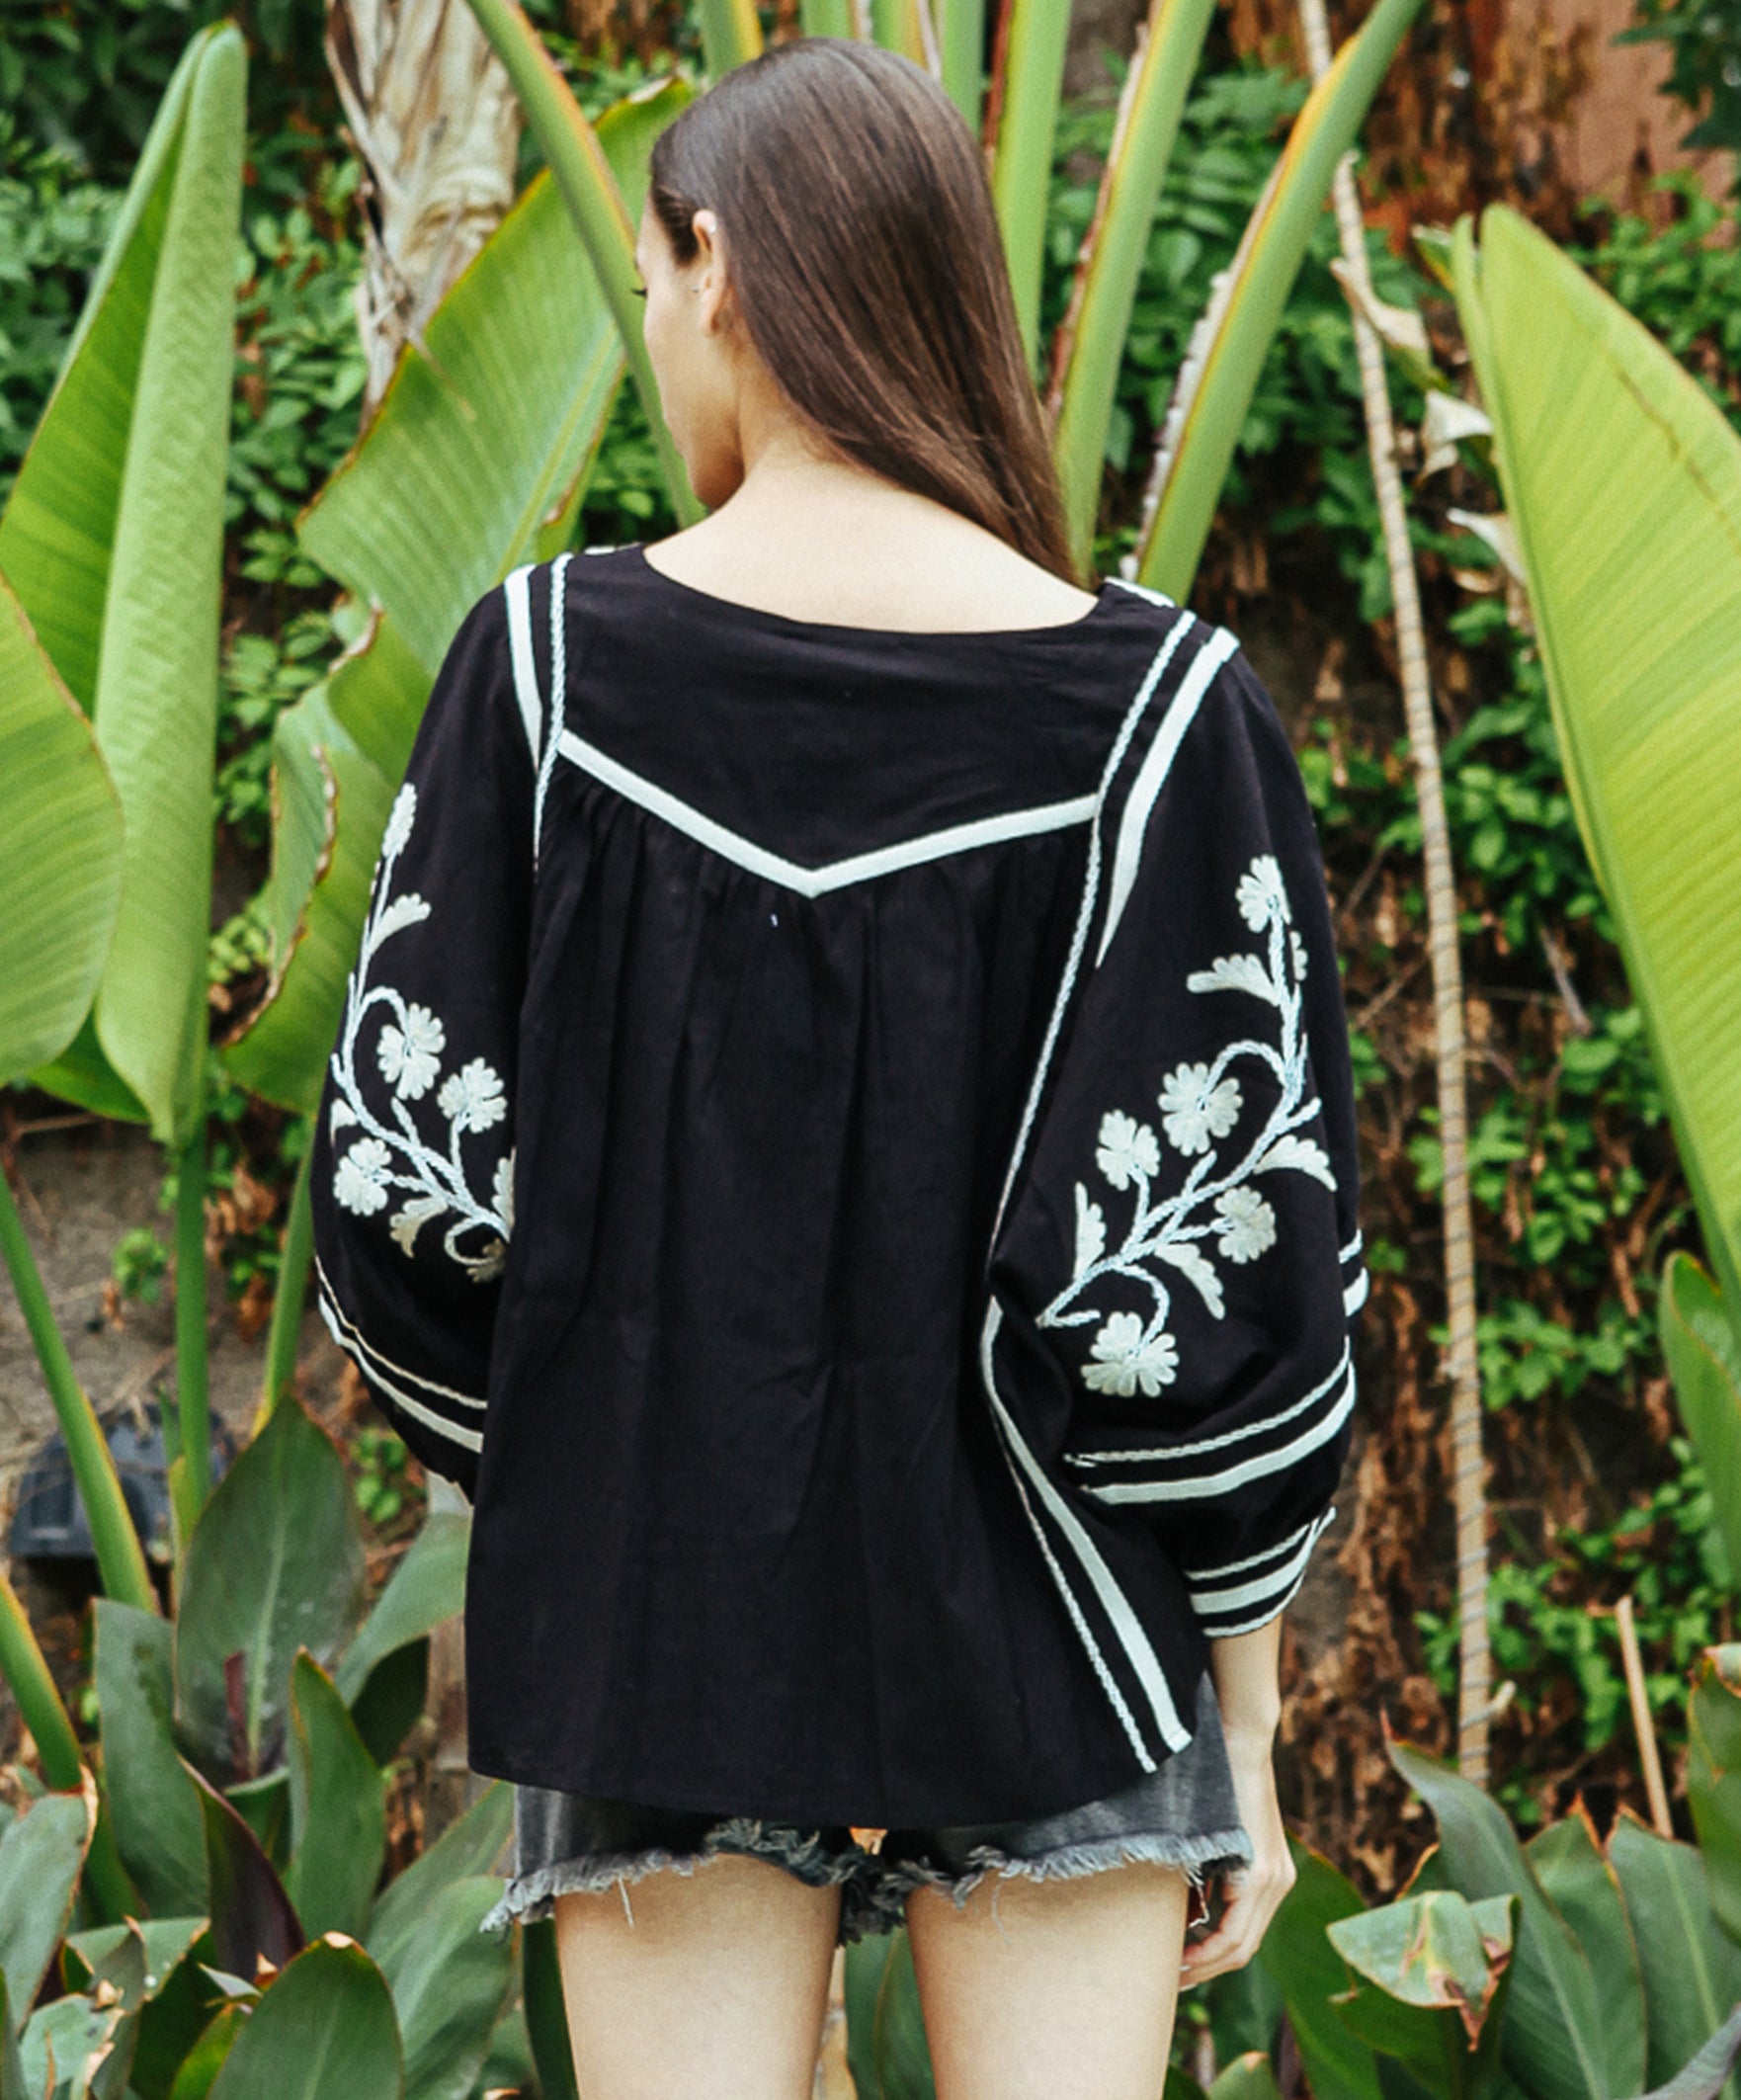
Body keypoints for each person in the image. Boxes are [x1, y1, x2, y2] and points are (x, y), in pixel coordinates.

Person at [308, 34, 1365, 2100]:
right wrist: (1236, 1700)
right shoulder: (1165, 714)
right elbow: (1227, 1265)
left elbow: (406, 1204)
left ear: (714, 271)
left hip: (659, 1610)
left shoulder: (537, 676)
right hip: (1070, 1626)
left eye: (646, 290)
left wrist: (590, 1485)